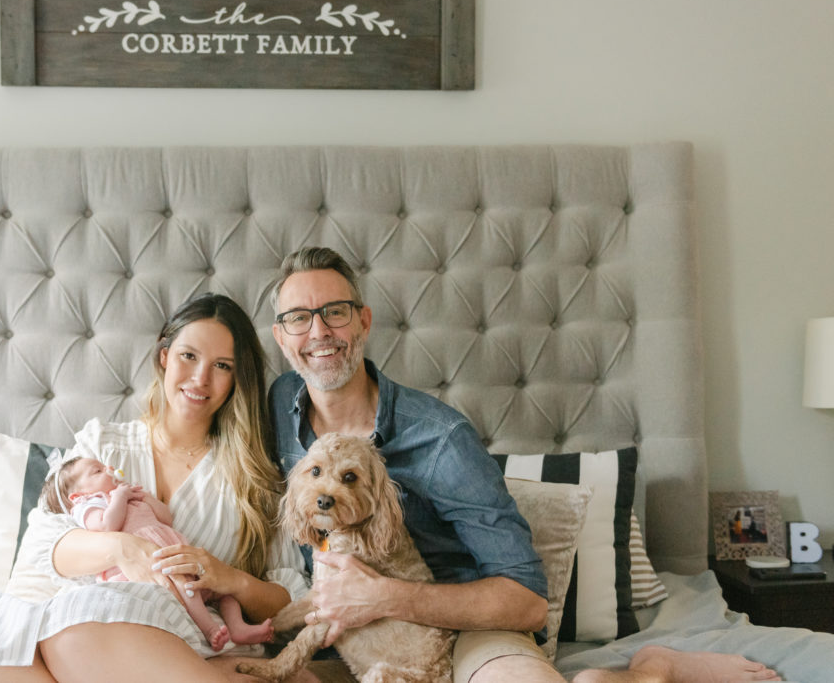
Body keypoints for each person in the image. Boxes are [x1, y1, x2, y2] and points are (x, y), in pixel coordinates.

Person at [267, 246, 782, 683]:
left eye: (335, 311)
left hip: (467, 630)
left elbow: (527, 600)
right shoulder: (278, 407)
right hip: (346, 636)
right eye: (298, 317)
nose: (318, 331)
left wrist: (381, 598)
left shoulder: (441, 439)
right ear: (280, 336)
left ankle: (649, 668)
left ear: (363, 320)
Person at [0, 293, 312, 683]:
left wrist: (229, 580)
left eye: (222, 366)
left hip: (177, 641)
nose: (200, 378)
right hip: (76, 631)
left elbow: (291, 600)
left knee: (82, 627)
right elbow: (43, 545)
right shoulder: (103, 445)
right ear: (164, 357)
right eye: (188, 356)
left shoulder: (255, 476)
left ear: (237, 378)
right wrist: (123, 549)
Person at [43, 455, 275, 651]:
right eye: (98, 471)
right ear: (78, 495)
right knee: (186, 585)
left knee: (224, 594)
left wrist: (147, 499)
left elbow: (165, 518)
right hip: (147, 567)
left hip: (170, 549)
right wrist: (120, 498)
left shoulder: (126, 495)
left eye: (105, 466)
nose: (109, 469)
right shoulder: (90, 505)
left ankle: (238, 628)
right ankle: (209, 628)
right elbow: (107, 526)